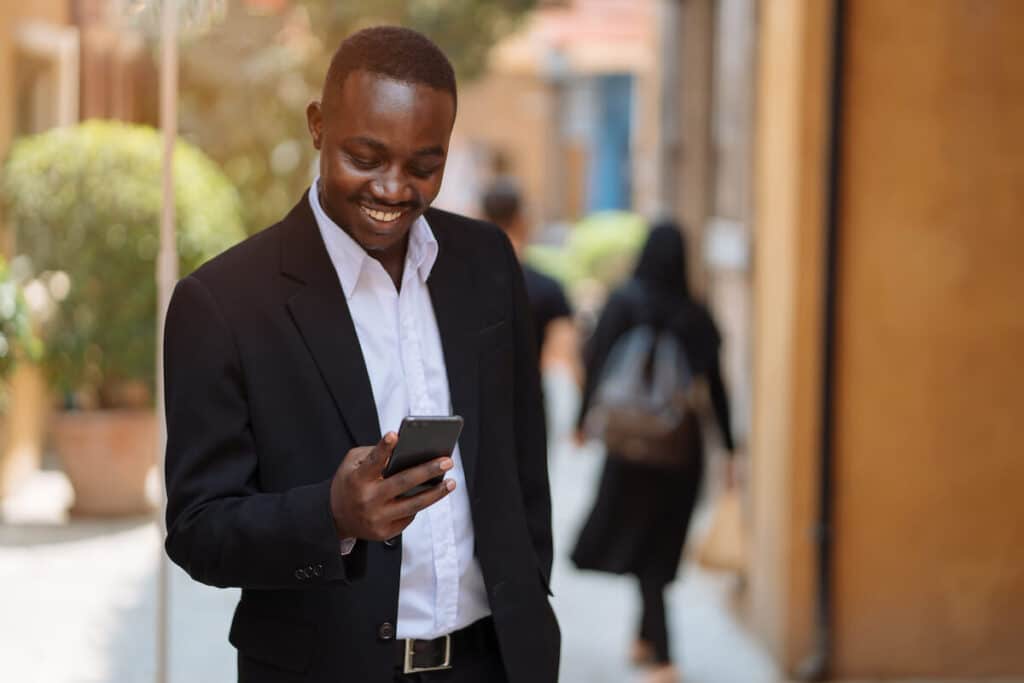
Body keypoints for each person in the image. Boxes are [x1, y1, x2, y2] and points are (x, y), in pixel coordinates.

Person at [163, 26, 558, 683]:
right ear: (318, 126)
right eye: (366, 156)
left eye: (423, 165)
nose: (393, 188)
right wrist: (331, 515)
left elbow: (523, 466)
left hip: (497, 663)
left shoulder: (488, 263)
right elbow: (199, 529)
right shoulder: (223, 302)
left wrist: (531, 606)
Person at [571, 222, 736, 683]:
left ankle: (661, 653)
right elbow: (717, 387)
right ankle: (651, 643)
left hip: (628, 447)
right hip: (679, 450)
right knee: (660, 545)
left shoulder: (624, 301)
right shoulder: (695, 313)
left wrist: (582, 420)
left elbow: (596, 360)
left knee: (640, 544)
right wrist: (729, 449)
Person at [481, 177, 579, 383]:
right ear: (521, 220)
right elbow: (562, 363)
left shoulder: (462, 284)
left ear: (482, 217)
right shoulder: (548, 288)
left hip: (472, 404)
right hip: (529, 401)